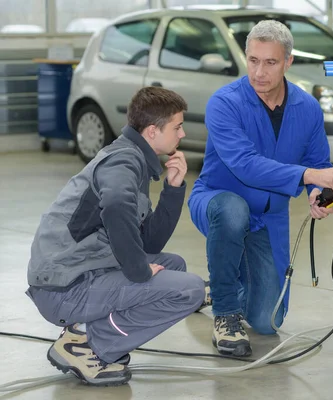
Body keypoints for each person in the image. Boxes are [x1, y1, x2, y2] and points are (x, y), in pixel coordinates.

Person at [188, 20, 333, 358]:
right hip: (218, 202)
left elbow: (318, 163)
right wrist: (308, 176)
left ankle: (221, 286)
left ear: (288, 62)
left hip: (269, 217)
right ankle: (224, 310)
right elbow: (246, 165)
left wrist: (317, 193)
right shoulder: (225, 103)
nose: (259, 72)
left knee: (268, 320)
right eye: (253, 60)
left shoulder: (306, 108)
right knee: (234, 212)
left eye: (270, 62)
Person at [26, 87, 207, 387]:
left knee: (173, 266)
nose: (183, 134)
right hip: (64, 288)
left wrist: (173, 189)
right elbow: (115, 206)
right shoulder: (123, 161)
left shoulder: (132, 157)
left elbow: (149, 244)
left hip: (78, 273)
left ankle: (83, 330)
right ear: (152, 131)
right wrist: (138, 270)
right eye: (177, 127)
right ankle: (88, 346)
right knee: (190, 291)